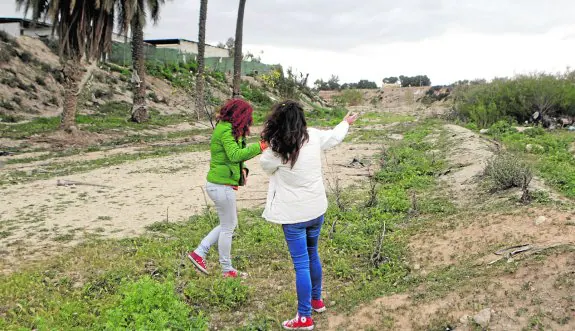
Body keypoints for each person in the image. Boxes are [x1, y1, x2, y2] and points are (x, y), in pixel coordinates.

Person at [260, 100, 358, 330]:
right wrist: (345, 122)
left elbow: (266, 167)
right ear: (301, 120)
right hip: (316, 210)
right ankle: (316, 300)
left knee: (301, 264)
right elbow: (334, 137)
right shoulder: (313, 136)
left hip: (294, 216)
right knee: (313, 255)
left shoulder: (276, 149)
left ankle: (304, 317)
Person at [188, 99, 267, 278]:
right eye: (248, 117)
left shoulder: (228, 129)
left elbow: (232, 157)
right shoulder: (225, 130)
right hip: (220, 186)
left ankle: (199, 253)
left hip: (221, 185)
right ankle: (225, 268)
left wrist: (243, 170)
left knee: (228, 225)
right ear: (239, 115)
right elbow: (234, 154)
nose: (250, 121)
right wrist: (261, 146)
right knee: (228, 227)